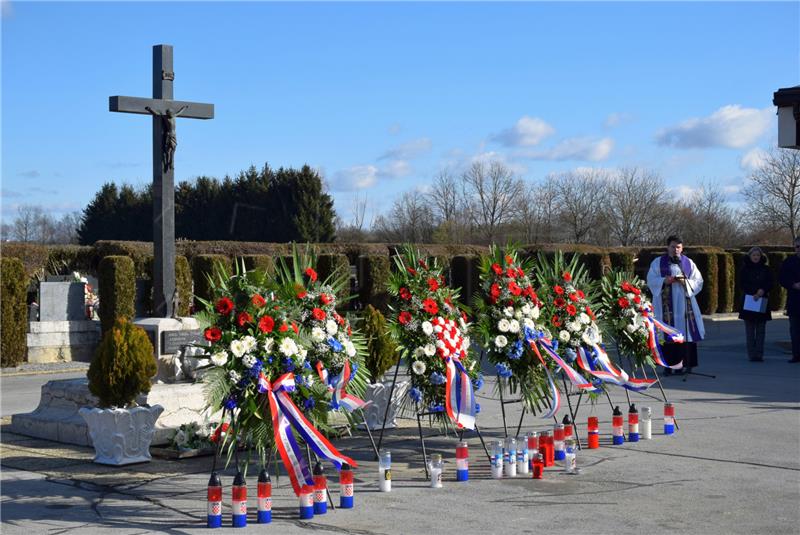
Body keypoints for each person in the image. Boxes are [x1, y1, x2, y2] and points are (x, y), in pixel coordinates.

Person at [647, 235, 705, 374]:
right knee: (667, 332)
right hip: (665, 304)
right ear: (668, 247)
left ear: (682, 248)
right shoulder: (658, 262)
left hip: (685, 304)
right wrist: (664, 281)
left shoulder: (688, 263)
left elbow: (698, 281)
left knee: (686, 333)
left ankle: (686, 364)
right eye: (673, 247)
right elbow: (651, 279)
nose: (675, 249)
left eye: (678, 247)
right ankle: (669, 366)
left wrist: (685, 282)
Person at [737, 247, 773, 362]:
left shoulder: (766, 269)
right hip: (749, 300)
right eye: (754, 255)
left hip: (762, 300)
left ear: (761, 256)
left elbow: (770, 282)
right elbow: (742, 284)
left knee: (761, 329)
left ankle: (759, 354)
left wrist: (762, 290)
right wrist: (754, 292)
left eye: (758, 255)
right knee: (750, 329)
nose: (756, 257)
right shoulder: (744, 269)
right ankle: (752, 354)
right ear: (750, 256)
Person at [778, 237, 800, 363]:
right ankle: (796, 355)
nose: (799, 249)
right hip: (794, 301)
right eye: (797, 246)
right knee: (795, 330)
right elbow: (782, 278)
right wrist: (793, 284)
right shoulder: (789, 262)